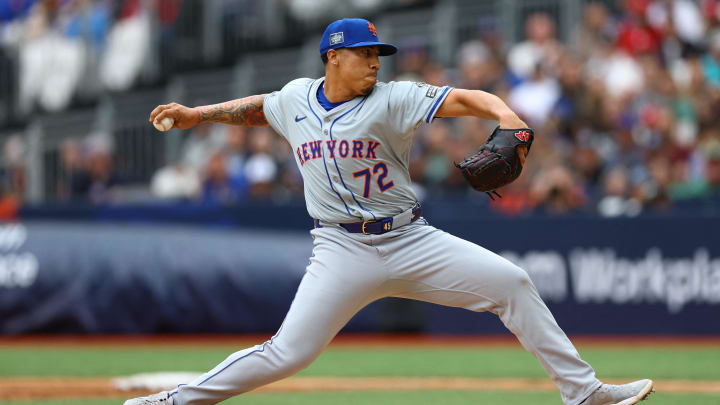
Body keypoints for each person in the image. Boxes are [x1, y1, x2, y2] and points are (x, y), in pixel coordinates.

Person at [126, 18, 654, 405]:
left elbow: (468, 99)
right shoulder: (294, 99)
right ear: (333, 57)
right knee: (288, 353)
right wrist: (198, 113)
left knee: (512, 283)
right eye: (364, 53)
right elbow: (257, 109)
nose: (375, 62)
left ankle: (584, 394)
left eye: (378, 53)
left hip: (410, 239)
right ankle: (172, 402)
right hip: (340, 249)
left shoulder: (392, 97)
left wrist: (508, 115)